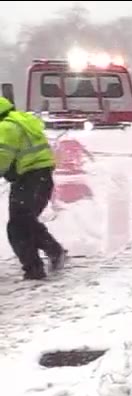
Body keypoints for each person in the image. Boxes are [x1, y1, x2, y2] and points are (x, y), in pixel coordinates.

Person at [0, 96, 65, 280]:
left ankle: (34, 268)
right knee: (25, 221)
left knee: (18, 225)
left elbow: (2, 157)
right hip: (39, 178)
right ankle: (53, 251)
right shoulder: (21, 119)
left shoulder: (6, 127)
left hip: (29, 179)